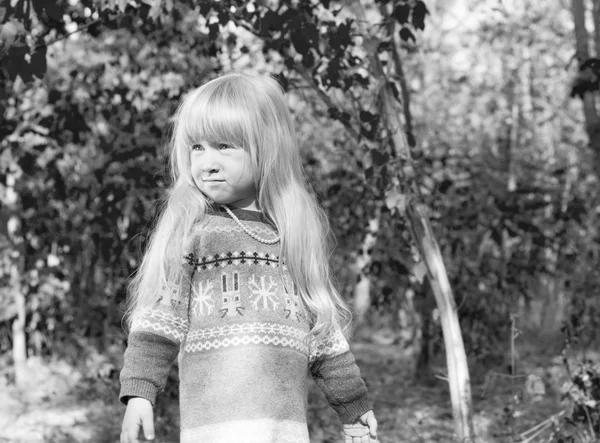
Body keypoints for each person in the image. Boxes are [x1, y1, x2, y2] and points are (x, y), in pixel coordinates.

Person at [119, 72, 378, 443]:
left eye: (224, 145)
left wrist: (354, 407)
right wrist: (140, 391)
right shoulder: (195, 232)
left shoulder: (292, 237)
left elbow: (323, 335)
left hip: (284, 433)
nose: (206, 162)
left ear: (267, 147)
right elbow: (159, 319)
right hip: (215, 431)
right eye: (197, 147)